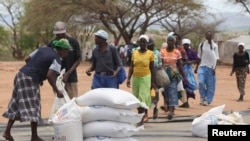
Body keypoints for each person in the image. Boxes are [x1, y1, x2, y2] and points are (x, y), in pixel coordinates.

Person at [2, 39, 70, 141]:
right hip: (30, 79)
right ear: (62, 50)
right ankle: (34, 137)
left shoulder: (42, 49)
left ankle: (7, 132)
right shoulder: (57, 59)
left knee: (15, 104)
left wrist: (38, 75)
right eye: (67, 51)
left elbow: (27, 59)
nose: (67, 53)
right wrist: (57, 90)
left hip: (20, 74)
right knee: (35, 106)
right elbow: (50, 75)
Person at [48, 21, 81, 99]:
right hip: (57, 79)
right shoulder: (52, 44)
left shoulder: (73, 42)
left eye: (61, 33)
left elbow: (78, 59)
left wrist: (68, 73)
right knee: (60, 102)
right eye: (57, 34)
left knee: (73, 101)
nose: (59, 35)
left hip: (71, 78)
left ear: (65, 32)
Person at [126, 34, 155, 126]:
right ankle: (142, 115)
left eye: (144, 42)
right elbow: (131, 66)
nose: (142, 43)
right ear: (139, 43)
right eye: (141, 42)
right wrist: (128, 78)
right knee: (136, 97)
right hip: (136, 78)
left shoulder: (150, 54)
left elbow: (152, 68)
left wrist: (152, 82)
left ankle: (141, 118)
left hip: (146, 77)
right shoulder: (134, 53)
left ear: (147, 43)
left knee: (142, 97)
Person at [160, 35, 184, 120]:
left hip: (174, 74)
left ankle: (170, 112)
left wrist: (183, 75)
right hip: (164, 75)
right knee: (166, 92)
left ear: (174, 42)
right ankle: (170, 107)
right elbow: (161, 63)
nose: (170, 42)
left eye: (171, 41)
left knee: (173, 91)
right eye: (168, 40)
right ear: (167, 42)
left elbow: (179, 64)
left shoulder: (177, 52)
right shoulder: (162, 52)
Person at [196, 31, 219, 106]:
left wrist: (214, 68)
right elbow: (199, 57)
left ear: (211, 36)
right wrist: (196, 68)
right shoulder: (201, 45)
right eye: (207, 35)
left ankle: (208, 100)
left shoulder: (215, 46)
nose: (209, 36)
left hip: (211, 68)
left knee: (210, 85)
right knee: (201, 82)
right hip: (202, 66)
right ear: (205, 36)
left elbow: (216, 58)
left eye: (210, 35)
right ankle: (203, 96)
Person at [181, 38, 200, 107]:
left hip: (188, 70)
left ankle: (186, 102)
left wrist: (190, 62)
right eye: (184, 45)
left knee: (188, 85)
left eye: (187, 45)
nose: (185, 46)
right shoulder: (181, 51)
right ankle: (185, 101)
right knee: (182, 85)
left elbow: (197, 60)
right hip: (181, 69)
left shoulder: (191, 51)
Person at [147, 37, 162, 119]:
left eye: (152, 45)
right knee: (146, 93)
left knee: (156, 92)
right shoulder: (145, 52)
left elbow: (160, 63)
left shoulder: (157, 52)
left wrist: (158, 66)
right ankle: (145, 111)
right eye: (149, 45)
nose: (151, 46)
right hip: (146, 74)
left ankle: (155, 109)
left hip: (155, 74)